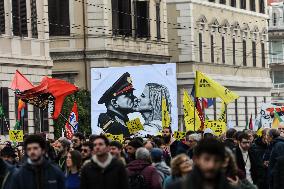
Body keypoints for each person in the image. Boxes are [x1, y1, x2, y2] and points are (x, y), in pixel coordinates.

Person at [168, 138, 237, 189]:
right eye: (206, 159)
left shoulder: (231, 187)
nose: (211, 165)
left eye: (216, 160)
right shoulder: (177, 187)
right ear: (196, 159)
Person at [97, 72, 138, 137]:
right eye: (128, 95)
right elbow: (116, 129)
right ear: (114, 102)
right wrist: (134, 129)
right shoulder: (104, 117)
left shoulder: (126, 120)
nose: (135, 98)